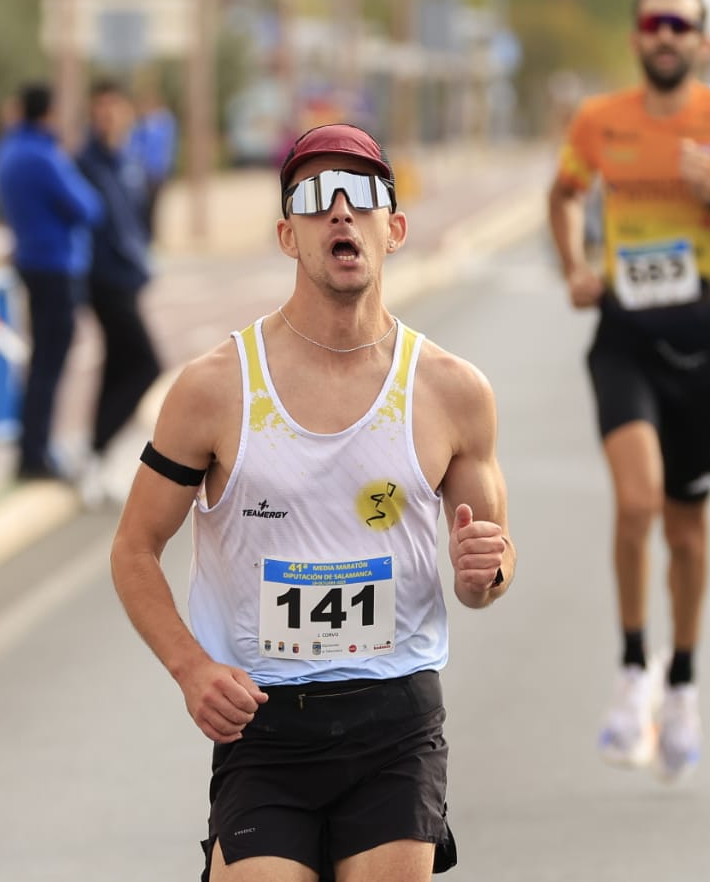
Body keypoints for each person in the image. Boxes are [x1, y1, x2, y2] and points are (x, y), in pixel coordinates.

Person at [110, 122, 515, 882]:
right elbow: (133, 548)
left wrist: (485, 571)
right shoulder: (213, 388)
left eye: (362, 195)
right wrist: (192, 670)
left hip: (395, 715)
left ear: (392, 230)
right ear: (287, 235)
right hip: (264, 725)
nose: (340, 211)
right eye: (313, 197)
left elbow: (487, 571)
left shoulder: (452, 391)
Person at [547, 0, 710, 783]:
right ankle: (630, 671)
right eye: (653, 22)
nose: (665, 35)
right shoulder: (600, 121)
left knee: (686, 528)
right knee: (638, 501)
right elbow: (563, 192)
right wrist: (575, 266)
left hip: (700, 347)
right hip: (623, 338)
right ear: (635, 37)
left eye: (680, 24)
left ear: (702, 42)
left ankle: (682, 680)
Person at [0, 82, 103, 482]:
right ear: (48, 113)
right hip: (56, 263)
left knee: (41, 359)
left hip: (28, 259)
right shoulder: (44, 156)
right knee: (50, 362)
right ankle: (35, 454)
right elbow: (88, 207)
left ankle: (31, 447)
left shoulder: (7, 151)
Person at [74, 79, 162, 505]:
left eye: (115, 109)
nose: (108, 117)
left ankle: (96, 458)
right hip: (102, 279)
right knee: (146, 364)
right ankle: (94, 449)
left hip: (128, 277)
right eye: (101, 110)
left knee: (116, 367)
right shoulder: (86, 163)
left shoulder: (128, 160)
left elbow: (138, 218)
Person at [128, 76, 178, 242]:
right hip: (143, 171)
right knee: (144, 205)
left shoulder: (165, 122)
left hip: (158, 170)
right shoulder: (141, 124)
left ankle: (152, 235)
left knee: (155, 205)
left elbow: (168, 146)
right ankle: (146, 233)